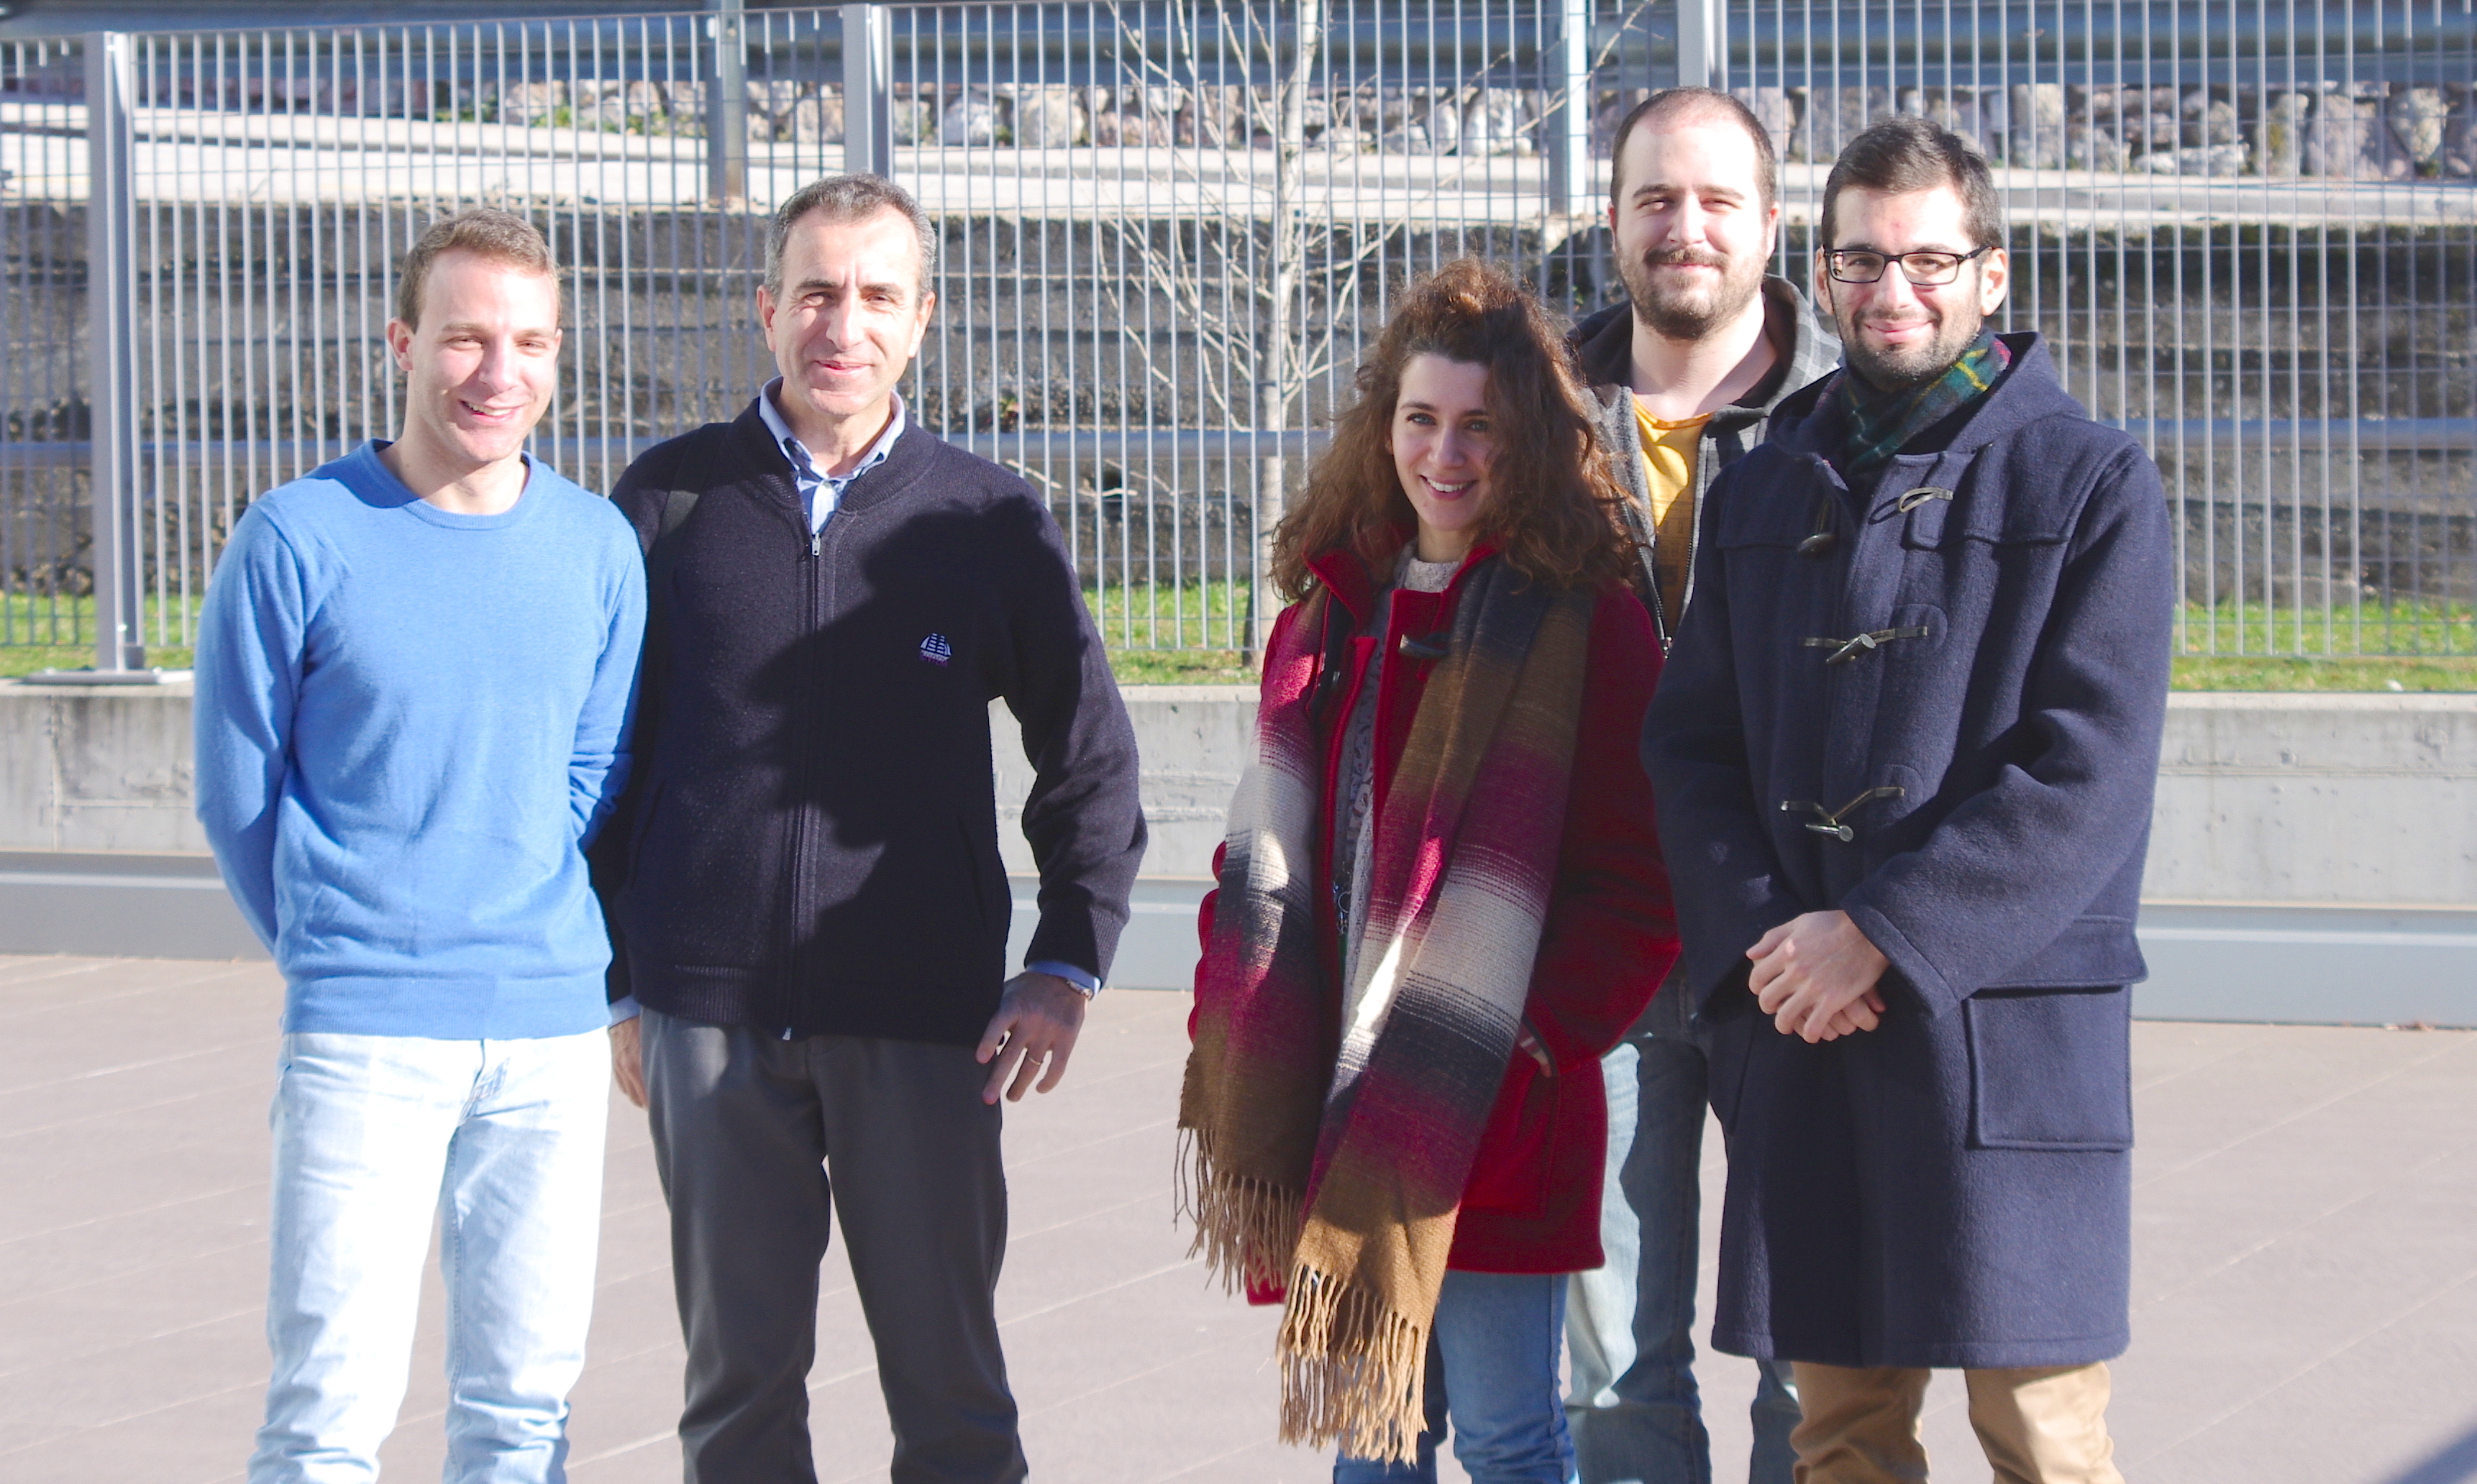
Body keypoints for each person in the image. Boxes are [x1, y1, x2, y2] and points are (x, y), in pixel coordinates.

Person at [592, 173, 1146, 1483]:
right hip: (706, 1017)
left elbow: (1090, 758)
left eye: (879, 296)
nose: (845, 322)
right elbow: (603, 764)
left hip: (922, 1020)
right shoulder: (667, 502)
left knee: (952, 1399)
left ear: (923, 319)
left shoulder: (989, 518)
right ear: (766, 309)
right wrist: (618, 979)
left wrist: (1069, 962)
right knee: (735, 1400)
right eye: (818, 293)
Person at [1642, 116, 2173, 1482]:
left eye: (1930, 260)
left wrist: (1876, 932)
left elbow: (2084, 771)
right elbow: (1691, 746)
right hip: (1808, 1020)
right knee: (1842, 1438)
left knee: (2044, 1437)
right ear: (1817, 279)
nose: (1895, 293)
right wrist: (1776, 943)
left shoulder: (2092, 480)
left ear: (1992, 275)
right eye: (1862, 263)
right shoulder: (1761, 486)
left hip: (1999, 1031)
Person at [1179, 257, 1678, 1484]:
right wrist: (1227, 1002)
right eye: (1421, 421)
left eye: (1480, 429)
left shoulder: (1586, 618)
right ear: (1383, 426)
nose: (1445, 455)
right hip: (1335, 1090)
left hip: (1489, 1097)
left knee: (1512, 1435)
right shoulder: (1330, 609)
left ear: (1529, 442)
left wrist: (1534, 1042)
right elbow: (1261, 848)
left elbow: (1641, 882)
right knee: (1372, 1433)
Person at [195, 209, 646, 1483]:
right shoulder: (295, 538)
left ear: (558, 358)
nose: (497, 373)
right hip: (364, 1033)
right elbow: (237, 792)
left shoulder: (598, 548)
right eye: (464, 338)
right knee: (328, 1418)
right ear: (402, 342)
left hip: (550, 1035)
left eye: (530, 342)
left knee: (521, 1416)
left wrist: (497, 888)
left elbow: (591, 769)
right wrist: (352, 936)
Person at [1561, 86, 1838, 1484]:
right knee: (1609, 1373)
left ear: (1772, 224)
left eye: (1719, 200)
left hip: (1791, 952)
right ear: (1611, 220)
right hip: (1596, 950)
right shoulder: (1534, 418)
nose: (1687, 227)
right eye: (1657, 199)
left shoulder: (1852, 424)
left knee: (1816, 1361)